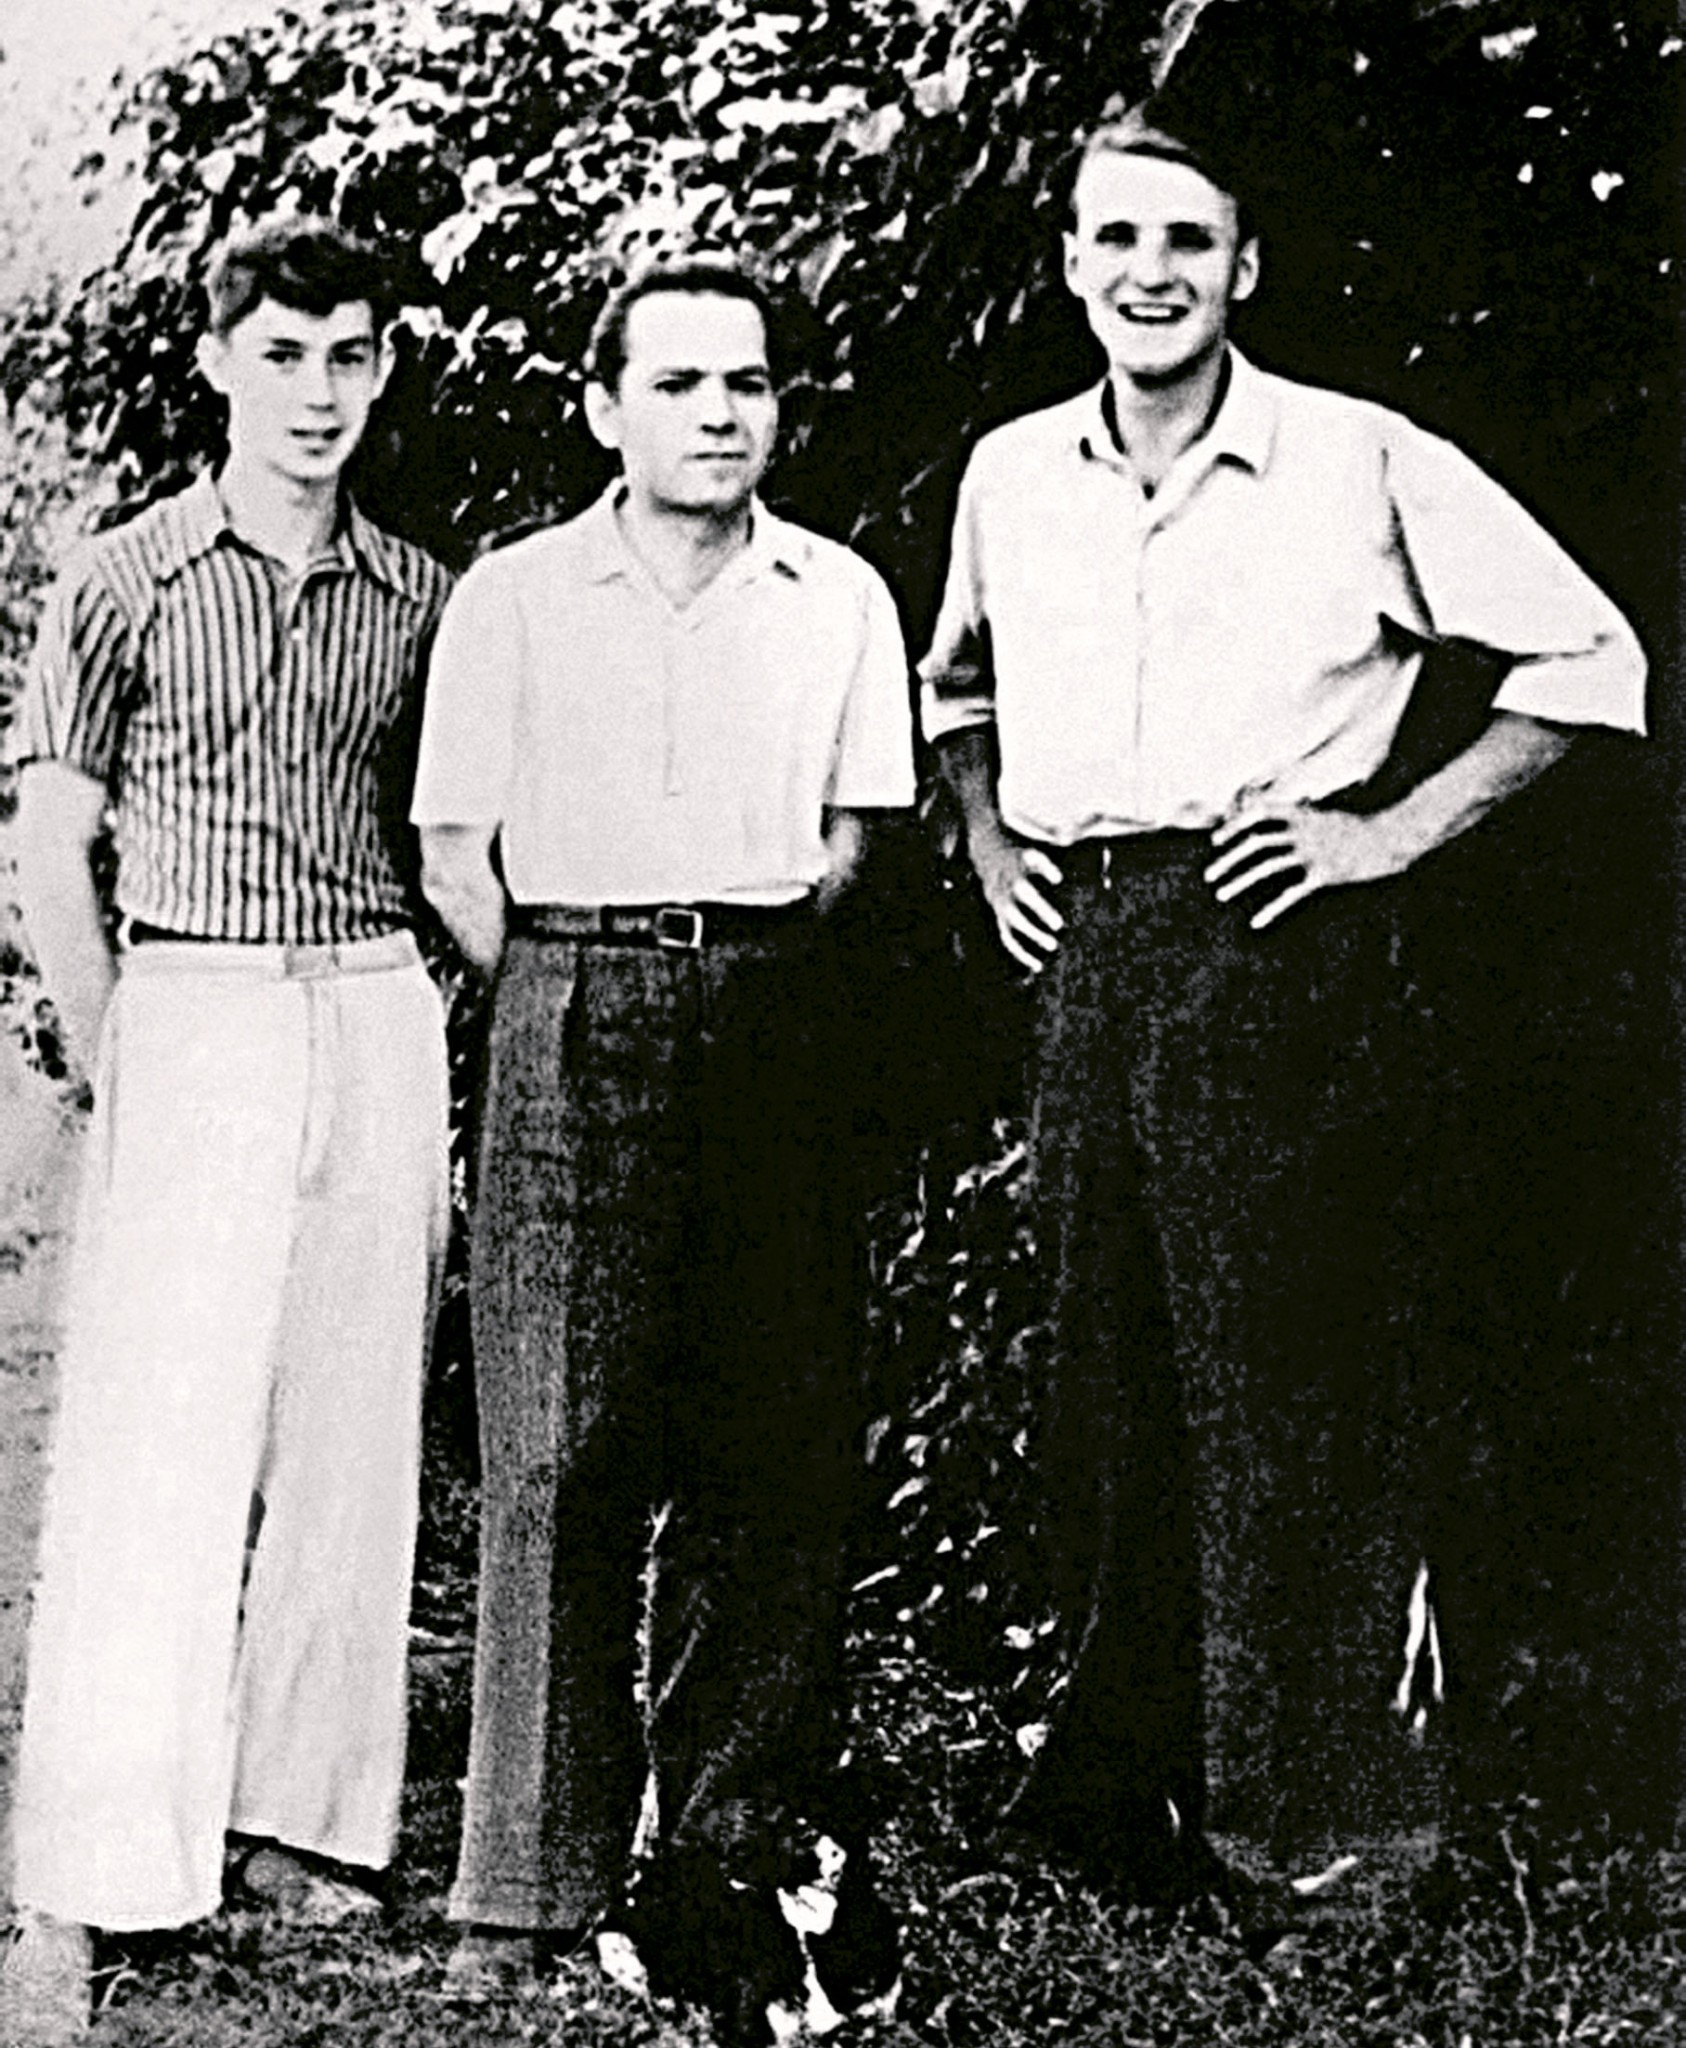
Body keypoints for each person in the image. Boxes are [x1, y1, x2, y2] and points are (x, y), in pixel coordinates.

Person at [920, 101, 1646, 1890]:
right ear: (1068, 263)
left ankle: (1325, 1832)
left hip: (1273, 945)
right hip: (1091, 956)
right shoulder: (1013, 473)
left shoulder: (1356, 456)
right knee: (1106, 1380)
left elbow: (1591, 657)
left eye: (1187, 239)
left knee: (1291, 1384)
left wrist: (1384, 835)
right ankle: (1122, 1804)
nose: (1148, 272)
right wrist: (992, 841)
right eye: (1115, 237)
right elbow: (957, 689)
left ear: (1245, 266)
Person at [412, 259, 915, 2044]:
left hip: (777, 1004)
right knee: (556, 1448)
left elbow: (854, 836)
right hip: (566, 993)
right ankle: (526, 1878)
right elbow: (456, 849)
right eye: (681, 382)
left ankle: (726, 1841)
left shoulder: (836, 594)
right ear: (603, 406)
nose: (719, 413)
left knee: (771, 1447)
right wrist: (576, 987)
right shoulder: (516, 595)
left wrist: (729, 968)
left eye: (748, 383)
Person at [0, 221, 454, 2044]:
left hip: (372, 996)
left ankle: (304, 1825)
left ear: (383, 369)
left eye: (348, 356)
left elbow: (449, 830)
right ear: (217, 364)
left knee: (352, 1422)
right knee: (159, 1435)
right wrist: (116, 1046)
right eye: (281, 354)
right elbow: (51, 834)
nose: (316, 393)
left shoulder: (422, 593)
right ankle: (108, 1857)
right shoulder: (121, 577)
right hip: (191, 997)